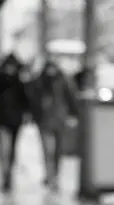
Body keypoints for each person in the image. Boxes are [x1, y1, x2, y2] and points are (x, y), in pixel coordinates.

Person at [0, 54, 32, 192]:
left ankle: (7, 174)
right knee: (5, 149)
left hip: (10, 121)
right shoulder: (3, 82)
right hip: (4, 121)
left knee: (9, 149)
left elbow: (26, 101)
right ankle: (6, 174)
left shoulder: (16, 83)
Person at [27, 58, 79, 190]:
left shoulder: (63, 81)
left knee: (57, 151)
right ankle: (50, 176)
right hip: (45, 121)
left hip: (59, 121)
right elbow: (32, 99)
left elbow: (71, 98)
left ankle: (54, 175)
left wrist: (73, 114)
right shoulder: (39, 82)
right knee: (48, 150)